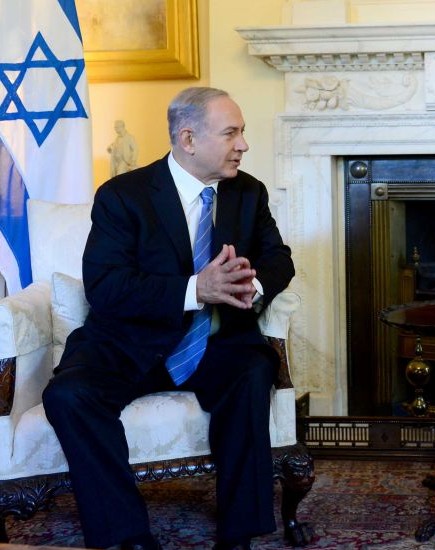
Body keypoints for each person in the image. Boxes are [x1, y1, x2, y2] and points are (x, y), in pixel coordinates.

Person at [42, 87, 295, 550]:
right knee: (69, 395)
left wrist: (249, 287)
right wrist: (195, 289)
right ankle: (127, 536)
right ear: (188, 138)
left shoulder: (248, 192)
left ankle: (239, 533)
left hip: (215, 344)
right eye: (231, 133)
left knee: (255, 369)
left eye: (242, 133)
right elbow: (106, 287)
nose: (243, 144)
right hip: (127, 342)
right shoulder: (123, 196)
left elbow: (279, 258)